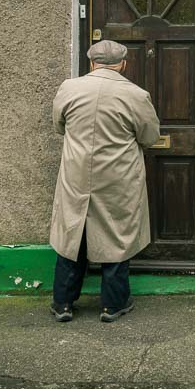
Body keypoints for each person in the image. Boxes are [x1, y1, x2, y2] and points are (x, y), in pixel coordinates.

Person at [49, 40, 160, 323]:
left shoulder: (69, 89)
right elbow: (150, 137)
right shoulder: (136, 95)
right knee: (117, 236)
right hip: (118, 177)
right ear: (123, 64)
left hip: (77, 174)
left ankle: (62, 302)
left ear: (91, 62)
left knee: (73, 235)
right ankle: (113, 304)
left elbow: (59, 126)